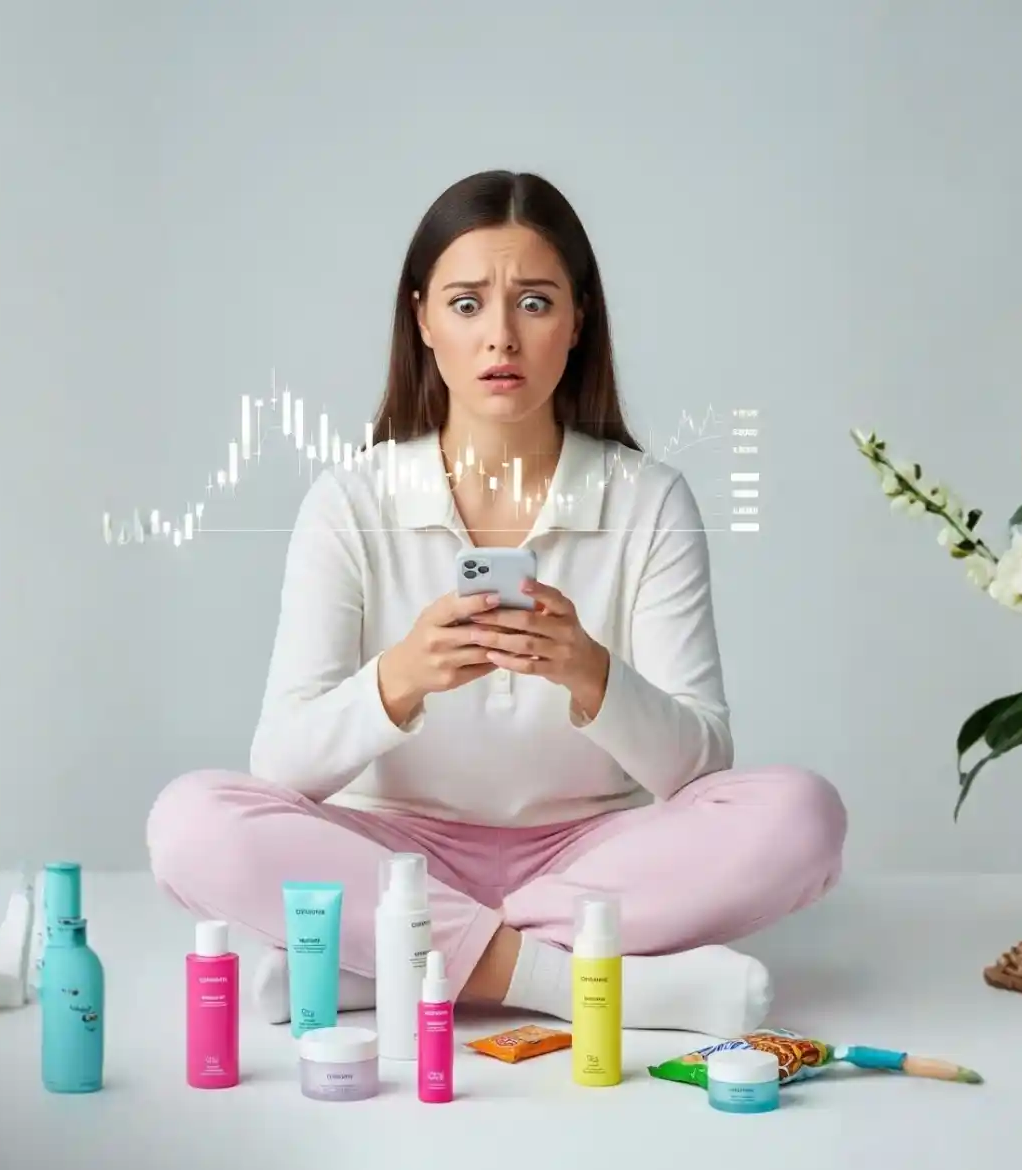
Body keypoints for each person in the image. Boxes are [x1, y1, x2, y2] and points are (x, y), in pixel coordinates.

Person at [146, 169, 846, 1037]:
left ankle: (385, 964)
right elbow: (279, 768)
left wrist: (593, 676)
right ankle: (565, 980)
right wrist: (398, 680)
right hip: (394, 851)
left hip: (590, 853)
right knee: (190, 823)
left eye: (536, 303)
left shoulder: (647, 500)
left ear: (578, 321)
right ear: (423, 320)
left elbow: (700, 774)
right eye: (469, 303)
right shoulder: (351, 501)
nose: (501, 337)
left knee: (803, 817)